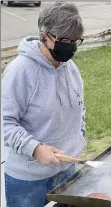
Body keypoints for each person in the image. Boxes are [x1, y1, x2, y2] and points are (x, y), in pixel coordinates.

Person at [2, 2, 86, 207]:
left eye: (76, 41)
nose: (71, 47)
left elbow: (79, 107)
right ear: (43, 37)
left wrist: (78, 136)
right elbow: (5, 123)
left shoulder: (71, 68)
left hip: (66, 169)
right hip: (28, 179)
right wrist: (36, 148)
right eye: (66, 41)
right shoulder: (20, 71)